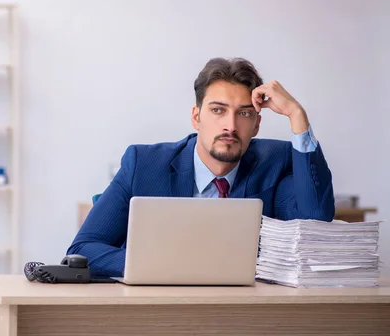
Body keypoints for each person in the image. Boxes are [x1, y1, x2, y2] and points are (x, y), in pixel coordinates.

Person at [67, 57, 335, 278]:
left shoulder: (274, 162)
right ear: (196, 118)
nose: (230, 126)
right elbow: (83, 249)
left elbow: (314, 219)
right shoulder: (144, 164)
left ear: (256, 125)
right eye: (218, 110)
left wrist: (296, 114)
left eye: (243, 113)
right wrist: (165, 264)